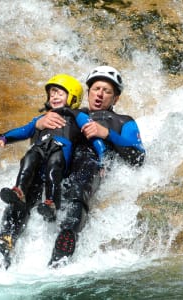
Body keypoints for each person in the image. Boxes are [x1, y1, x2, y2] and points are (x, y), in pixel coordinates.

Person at [0, 73, 91, 268]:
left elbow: (92, 134)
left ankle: (58, 252)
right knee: (18, 201)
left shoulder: (78, 116)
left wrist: (103, 157)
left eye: (60, 93)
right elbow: (25, 129)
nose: (54, 96)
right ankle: (4, 244)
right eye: (52, 93)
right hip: (37, 171)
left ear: (72, 97)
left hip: (59, 171)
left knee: (52, 182)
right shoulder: (41, 119)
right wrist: (4, 138)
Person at [37, 66, 146, 267]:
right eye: (96, 89)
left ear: (116, 99)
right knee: (32, 179)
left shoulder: (123, 121)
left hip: (92, 163)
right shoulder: (71, 114)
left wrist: (107, 134)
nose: (100, 94)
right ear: (88, 92)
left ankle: (64, 244)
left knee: (81, 181)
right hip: (61, 161)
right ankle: (6, 240)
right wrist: (40, 123)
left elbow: (138, 158)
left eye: (107, 91)